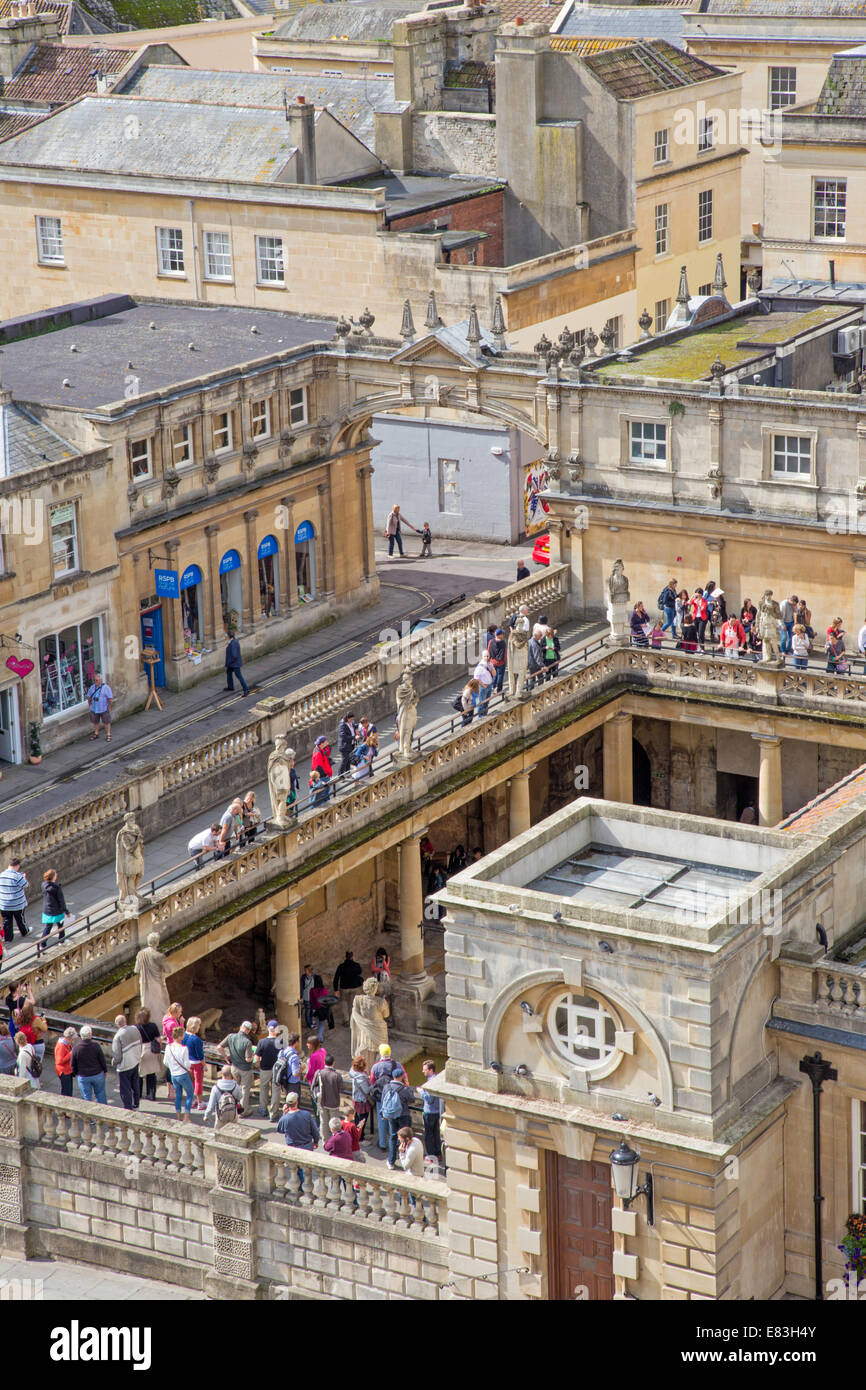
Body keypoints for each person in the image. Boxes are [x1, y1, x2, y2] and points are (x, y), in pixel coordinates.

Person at [371, 1044, 406, 1151]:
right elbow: (405, 1079)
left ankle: (382, 1144)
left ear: (380, 1054)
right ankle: (394, 1142)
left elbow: (372, 1081)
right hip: (395, 1096)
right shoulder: (398, 1065)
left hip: (381, 1097)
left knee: (382, 1119)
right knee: (394, 1119)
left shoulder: (375, 1066)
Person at [218, 1020, 255, 1115]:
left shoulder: (231, 1036)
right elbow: (248, 1059)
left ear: (240, 1027)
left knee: (235, 1088)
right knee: (244, 1090)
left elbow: (219, 1047)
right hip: (245, 1069)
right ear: (248, 1031)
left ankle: (232, 1107)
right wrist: (254, 1055)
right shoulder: (247, 1042)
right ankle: (243, 1111)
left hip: (234, 1067)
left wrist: (226, 1057)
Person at [381, 1070, 415, 1169]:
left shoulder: (386, 1087)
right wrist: (408, 1087)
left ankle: (391, 1161)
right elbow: (412, 1099)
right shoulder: (404, 1089)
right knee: (405, 1137)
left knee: (393, 1136)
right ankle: (405, 1159)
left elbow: (383, 1100)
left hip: (391, 1115)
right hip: (403, 1115)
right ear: (402, 1077)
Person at [112, 1013, 143, 1111]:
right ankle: (136, 1105)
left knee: (125, 1090)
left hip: (125, 1066)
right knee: (135, 1085)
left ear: (117, 1024)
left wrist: (114, 1063)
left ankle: (128, 1108)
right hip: (135, 1061)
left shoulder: (118, 1036)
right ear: (125, 1021)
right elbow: (140, 1043)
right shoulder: (135, 1029)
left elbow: (117, 1056)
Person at [71, 1024, 107, 1104]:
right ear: (90, 1035)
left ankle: (88, 1116)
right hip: (97, 1074)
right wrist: (105, 1070)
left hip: (83, 1076)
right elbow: (102, 1060)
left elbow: (73, 1064)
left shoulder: (76, 1048)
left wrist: (76, 1073)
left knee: (86, 1097)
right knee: (100, 1094)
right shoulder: (96, 1046)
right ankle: (103, 1113)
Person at [165, 1025, 194, 1121]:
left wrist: (173, 1067)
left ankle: (178, 1116)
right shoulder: (184, 1048)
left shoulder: (168, 1047)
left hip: (174, 1075)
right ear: (181, 1036)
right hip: (183, 1074)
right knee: (190, 1094)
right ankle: (187, 1116)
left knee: (178, 1095)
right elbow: (187, 1064)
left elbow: (165, 1062)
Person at [38, 868, 69, 956]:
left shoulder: (43, 885)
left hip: (47, 910)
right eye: (55, 875)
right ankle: (61, 940)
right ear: (53, 877)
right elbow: (61, 901)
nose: (57, 876)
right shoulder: (56, 887)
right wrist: (66, 911)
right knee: (60, 926)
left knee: (48, 927)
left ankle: (42, 944)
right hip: (56, 910)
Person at [255, 1019, 282, 1120]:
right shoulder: (280, 1042)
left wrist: (259, 1065)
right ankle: (273, 1113)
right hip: (277, 1070)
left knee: (263, 1089)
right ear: (277, 1029)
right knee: (276, 1091)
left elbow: (256, 1058)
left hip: (265, 1069)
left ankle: (263, 1108)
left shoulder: (262, 1042)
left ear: (268, 1029)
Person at [205, 1064, 245, 1131]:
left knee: (218, 1133)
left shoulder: (216, 1088)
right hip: (233, 1114)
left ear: (221, 1074)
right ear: (231, 1074)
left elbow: (211, 1104)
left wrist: (207, 1115)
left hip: (220, 1115)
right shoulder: (235, 1086)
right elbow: (240, 1096)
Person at [419, 1059, 444, 1163]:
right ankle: (438, 1154)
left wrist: (420, 1091)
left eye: (425, 1069)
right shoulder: (438, 1078)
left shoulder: (431, 1082)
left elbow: (429, 1099)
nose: (423, 1071)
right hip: (437, 1111)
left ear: (430, 1070)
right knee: (436, 1134)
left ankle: (431, 1157)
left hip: (430, 1112)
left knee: (428, 1135)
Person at [312, 1053, 343, 1134]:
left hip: (322, 1102)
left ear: (324, 1062)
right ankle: (334, 1141)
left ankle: (325, 1142)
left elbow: (313, 1086)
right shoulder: (337, 1075)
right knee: (335, 1125)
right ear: (333, 1063)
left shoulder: (319, 1073)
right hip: (334, 1103)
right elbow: (341, 1090)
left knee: (324, 1123)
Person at [135, 1006, 161, 1102]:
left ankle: (138, 1094)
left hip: (140, 1050)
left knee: (139, 1074)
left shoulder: (136, 1027)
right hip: (151, 1051)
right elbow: (158, 1040)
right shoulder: (153, 1026)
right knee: (151, 1073)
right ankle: (151, 1094)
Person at [0, 858, 29, 942]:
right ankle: (24, 932)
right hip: (17, 904)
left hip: (4, 904)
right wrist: (24, 877)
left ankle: (8, 938)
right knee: (20, 919)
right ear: (17, 866)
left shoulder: (1, 875)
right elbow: (26, 885)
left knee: (7, 921)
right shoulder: (18, 876)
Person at [333, 951, 363, 1026]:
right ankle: (354, 1019)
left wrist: (336, 989)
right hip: (355, 987)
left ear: (345, 957)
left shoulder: (341, 966)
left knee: (344, 1003)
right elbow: (360, 972)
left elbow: (336, 978)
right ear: (352, 957)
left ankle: (346, 1020)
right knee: (354, 1004)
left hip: (344, 988)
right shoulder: (357, 965)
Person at [349, 1054, 373, 1140]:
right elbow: (366, 1090)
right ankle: (360, 1138)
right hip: (362, 1101)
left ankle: (356, 1134)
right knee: (362, 1120)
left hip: (356, 1099)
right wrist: (372, 1085)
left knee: (357, 1119)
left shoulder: (353, 1072)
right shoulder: (361, 1078)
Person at [184, 1016, 205, 1110]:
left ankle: (192, 1101)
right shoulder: (197, 1040)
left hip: (187, 1063)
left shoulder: (183, 1035)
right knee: (198, 1082)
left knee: (190, 1082)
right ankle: (200, 1102)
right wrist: (204, 1065)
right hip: (196, 1063)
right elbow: (200, 1055)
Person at [86, 672, 114, 741]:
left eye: (97, 680)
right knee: (95, 722)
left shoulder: (106, 688)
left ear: (101, 680)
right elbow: (89, 697)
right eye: (94, 680)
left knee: (106, 722)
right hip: (94, 708)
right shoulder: (92, 687)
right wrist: (90, 706)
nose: (95, 681)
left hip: (104, 708)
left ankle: (108, 734)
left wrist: (109, 707)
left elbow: (110, 699)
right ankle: (96, 733)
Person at [276, 1031, 302, 1099]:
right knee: (294, 1102)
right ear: (296, 1042)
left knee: (288, 1100)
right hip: (293, 1083)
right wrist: (302, 1069)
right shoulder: (294, 1056)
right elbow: (295, 1074)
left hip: (283, 1080)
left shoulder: (281, 1052)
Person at [224, 630, 249, 696]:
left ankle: (246, 689)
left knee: (239, 676)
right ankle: (230, 687)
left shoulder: (233, 644)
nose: (226, 637)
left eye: (227, 636)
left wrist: (229, 662)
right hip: (231, 663)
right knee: (228, 673)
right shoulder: (233, 641)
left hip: (234, 664)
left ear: (229, 636)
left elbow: (234, 655)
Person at [311, 736, 333, 802]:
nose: (327, 742)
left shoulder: (318, 749)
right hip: (323, 777)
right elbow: (318, 767)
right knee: (324, 795)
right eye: (326, 742)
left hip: (322, 775)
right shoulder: (318, 753)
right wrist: (325, 775)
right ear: (322, 743)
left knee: (325, 794)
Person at [309, 975, 330, 1042]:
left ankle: (320, 1037)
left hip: (315, 1008)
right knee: (322, 1023)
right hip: (322, 1008)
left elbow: (311, 1000)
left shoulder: (312, 990)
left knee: (318, 1023)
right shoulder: (324, 990)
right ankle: (319, 1037)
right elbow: (327, 1000)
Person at [486, 629, 507, 693]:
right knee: (500, 675)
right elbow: (504, 653)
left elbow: (488, 650)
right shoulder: (503, 643)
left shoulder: (491, 641)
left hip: (493, 661)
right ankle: (499, 689)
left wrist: (489, 660)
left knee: (494, 675)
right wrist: (504, 661)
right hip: (501, 662)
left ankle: (493, 687)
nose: (503, 635)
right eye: (502, 634)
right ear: (499, 635)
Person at [337, 713, 357, 777]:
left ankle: (348, 773)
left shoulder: (351, 722)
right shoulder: (342, 725)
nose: (352, 720)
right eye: (351, 719)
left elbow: (354, 726)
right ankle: (340, 776)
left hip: (351, 744)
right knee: (344, 760)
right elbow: (343, 736)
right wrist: (354, 737)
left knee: (349, 759)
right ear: (348, 718)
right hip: (344, 746)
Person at [527, 625, 546, 690]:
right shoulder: (534, 644)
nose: (541, 636)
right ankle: (537, 691)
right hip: (535, 664)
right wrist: (542, 665)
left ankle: (530, 690)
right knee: (540, 678)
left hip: (530, 663)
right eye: (540, 635)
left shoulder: (530, 641)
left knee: (533, 678)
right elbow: (537, 656)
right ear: (536, 636)